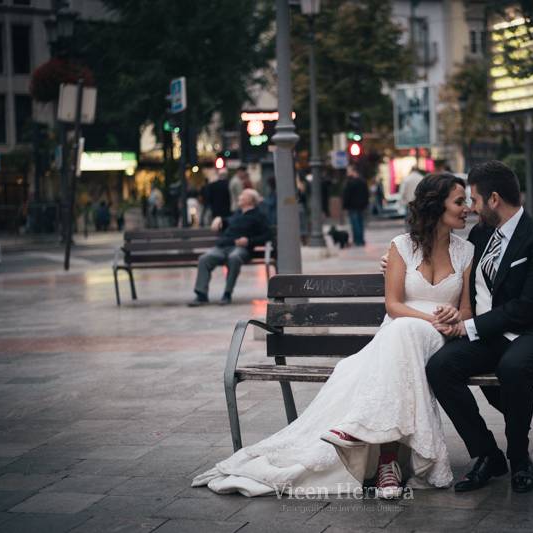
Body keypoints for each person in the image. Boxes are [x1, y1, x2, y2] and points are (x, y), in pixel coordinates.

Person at [192, 173, 474, 498]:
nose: (466, 208)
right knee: (403, 331)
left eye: (466, 200)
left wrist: (455, 317)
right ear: (436, 205)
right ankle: (385, 460)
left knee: (404, 335)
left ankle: (367, 435)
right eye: (459, 201)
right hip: (401, 331)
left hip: (438, 338)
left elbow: (467, 310)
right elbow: (394, 306)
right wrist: (428, 317)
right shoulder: (401, 247)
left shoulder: (466, 251)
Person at [424, 160, 533, 494]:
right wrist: (397, 257)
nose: (471, 209)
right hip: (489, 335)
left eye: (474, 200)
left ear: (493, 200)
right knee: (440, 367)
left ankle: (520, 458)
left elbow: (528, 307)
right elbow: (441, 251)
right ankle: (488, 455)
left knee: (513, 366)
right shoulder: (480, 234)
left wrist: (470, 328)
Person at [188, 189, 271, 306]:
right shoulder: (237, 213)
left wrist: (248, 241)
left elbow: (267, 235)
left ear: (251, 200)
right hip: (223, 246)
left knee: (234, 258)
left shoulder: (259, 216)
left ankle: (227, 294)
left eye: (243, 196)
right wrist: (219, 219)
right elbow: (227, 221)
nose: (240, 197)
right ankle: (201, 295)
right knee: (204, 259)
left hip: (241, 249)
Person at [342, 165, 369, 246]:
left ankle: (357, 240)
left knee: (355, 224)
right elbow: (366, 194)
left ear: (353, 171)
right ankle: (361, 240)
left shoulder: (350, 182)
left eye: (348, 171)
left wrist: (345, 206)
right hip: (361, 206)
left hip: (352, 206)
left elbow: (346, 195)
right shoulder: (362, 181)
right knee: (360, 223)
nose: (347, 173)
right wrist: (365, 204)